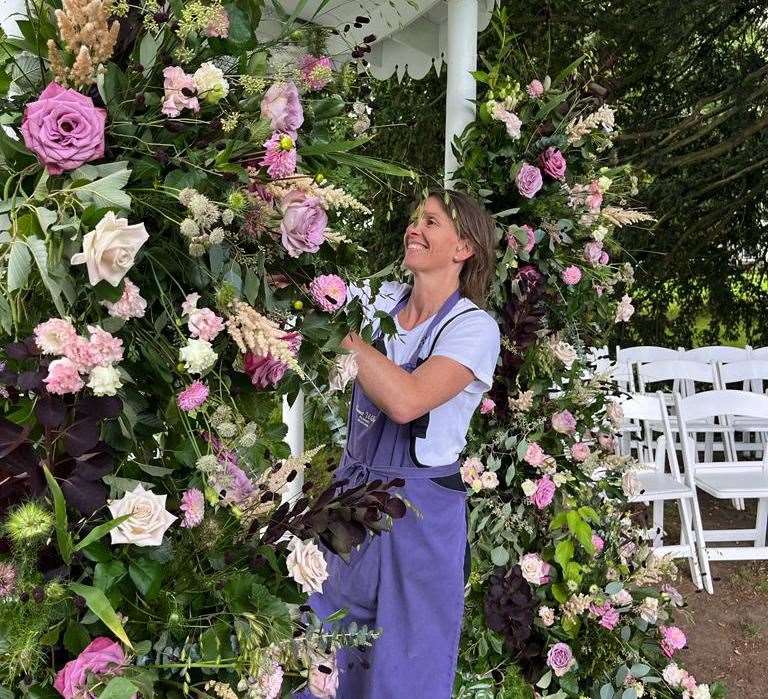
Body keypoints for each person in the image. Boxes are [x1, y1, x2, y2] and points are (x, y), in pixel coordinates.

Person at [301, 188, 501, 698]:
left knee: (408, 665)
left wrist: (341, 332)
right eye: (415, 219)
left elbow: (408, 400)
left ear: (464, 248)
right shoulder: (379, 300)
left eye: (432, 222)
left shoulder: (473, 328)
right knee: (329, 647)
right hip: (350, 499)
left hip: (420, 514)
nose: (415, 228)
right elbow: (310, 311)